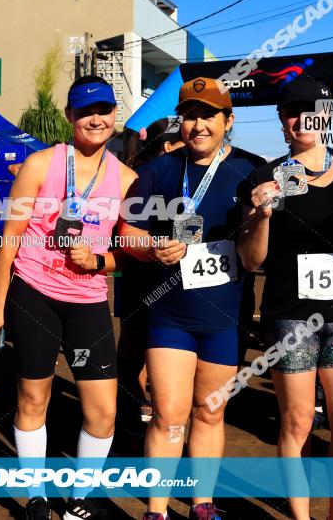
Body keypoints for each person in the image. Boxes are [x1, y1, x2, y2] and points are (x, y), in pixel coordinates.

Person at [0, 75, 137, 520]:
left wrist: (99, 262)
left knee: (103, 411)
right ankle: (35, 496)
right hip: (33, 292)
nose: (96, 118)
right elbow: (9, 235)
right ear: (70, 116)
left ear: (114, 116)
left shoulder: (127, 179)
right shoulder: (41, 164)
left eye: (104, 110)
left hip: (88, 302)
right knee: (34, 399)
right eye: (86, 111)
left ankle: (79, 499)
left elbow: (129, 256)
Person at [120, 77, 264, 520]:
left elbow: (256, 259)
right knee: (168, 414)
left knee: (209, 412)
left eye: (208, 115)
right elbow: (126, 232)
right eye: (190, 115)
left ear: (228, 120)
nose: (198, 125)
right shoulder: (159, 170)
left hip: (225, 315)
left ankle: (202, 504)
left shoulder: (252, 170)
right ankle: (157, 510)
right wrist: (152, 246)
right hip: (171, 314)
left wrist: (261, 217)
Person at [239, 75, 333, 520]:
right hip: (291, 316)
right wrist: (260, 216)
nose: (302, 119)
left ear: (329, 115)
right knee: (296, 422)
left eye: (311, 110)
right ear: (281, 122)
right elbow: (251, 261)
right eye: (292, 112)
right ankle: (300, 517)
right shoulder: (264, 176)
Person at [115, 117, 184, 453]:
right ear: (168, 146)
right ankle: (128, 424)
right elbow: (126, 232)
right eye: (180, 140)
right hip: (141, 278)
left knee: (150, 356)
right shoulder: (146, 177)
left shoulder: (188, 173)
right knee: (134, 355)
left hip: (175, 285)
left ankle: (149, 421)